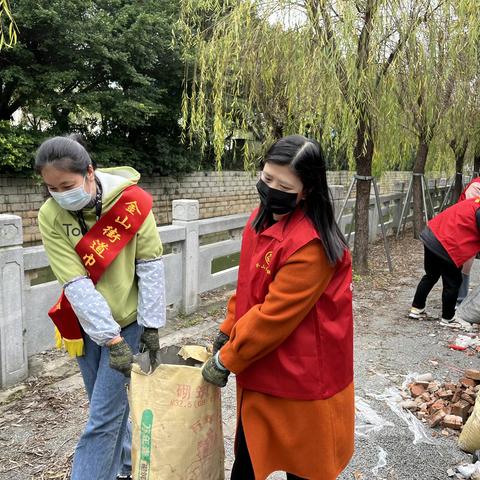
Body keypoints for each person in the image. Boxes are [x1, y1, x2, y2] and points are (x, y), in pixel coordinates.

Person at [201, 135, 354, 480]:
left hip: (303, 373)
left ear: (307, 190)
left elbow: (274, 315)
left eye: (283, 186)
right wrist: (228, 328)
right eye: (267, 179)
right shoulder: (260, 219)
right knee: (250, 457)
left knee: (305, 466)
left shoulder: (311, 245)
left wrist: (228, 358)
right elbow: (247, 284)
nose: (270, 190)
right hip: (263, 361)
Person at [35, 135, 166, 480]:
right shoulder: (50, 215)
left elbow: (150, 265)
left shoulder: (132, 202)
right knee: (105, 409)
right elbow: (75, 282)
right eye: (51, 188)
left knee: (103, 419)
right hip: (85, 324)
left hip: (130, 319)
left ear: (90, 172)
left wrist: (150, 327)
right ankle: (126, 468)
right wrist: (109, 339)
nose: (60, 194)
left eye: (67, 185)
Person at [409, 196, 480, 327]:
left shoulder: (475, 201)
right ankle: (448, 318)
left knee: (431, 275)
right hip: (447, 244)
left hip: (431, 235)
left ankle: (416, 308)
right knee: (453, 282)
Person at [457, 176, 480, 304]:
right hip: (467, 228)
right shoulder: (476, 186)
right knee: (465, 263)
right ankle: (460, 299)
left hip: (473, 228)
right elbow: (471, 208)